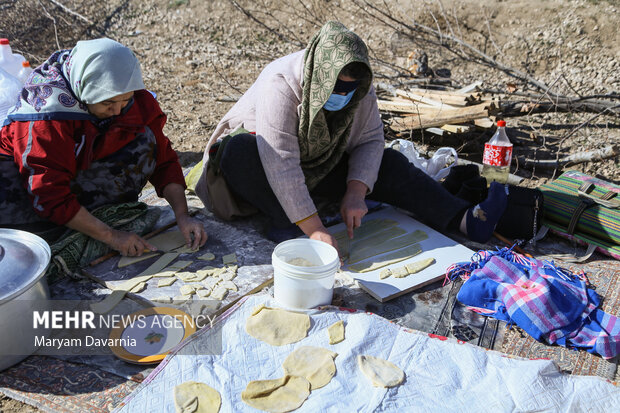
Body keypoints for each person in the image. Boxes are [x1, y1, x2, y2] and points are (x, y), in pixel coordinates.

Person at [194, 21, 507, 250]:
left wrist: (356, 192)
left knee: (390, 162)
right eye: (336, 87)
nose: (342, 95)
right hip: (255, 178)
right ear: (319, 75)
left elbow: (371, 140)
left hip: (314, 171)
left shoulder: (360, 88)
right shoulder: (281, 83)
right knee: (239, 150)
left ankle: (465, 219)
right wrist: (315, 230)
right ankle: (289, 223)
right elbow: (280, 162)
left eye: (350, 89)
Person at [0, 38, 207, 264]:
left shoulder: (133, 99)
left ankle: (86, 216)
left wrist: (183, 216)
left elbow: (163, 159)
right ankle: (63, 226)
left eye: (125, 100)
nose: (117, 110)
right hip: (19, 187)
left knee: (145, 139)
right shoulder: (45, 116)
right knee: (32, 235)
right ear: (84, 88)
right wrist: (112, 237)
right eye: (108, 102)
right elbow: (48, 192)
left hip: (72, 172)